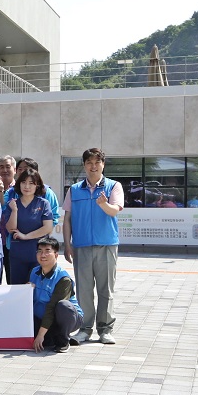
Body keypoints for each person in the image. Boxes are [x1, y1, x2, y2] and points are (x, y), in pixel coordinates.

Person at [63, 147, 123, 345]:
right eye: (89, 162)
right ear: (84, 165)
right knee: (84, 290)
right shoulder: (74, 189)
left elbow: (114, 211)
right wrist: (67, 244)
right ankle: (85, 328)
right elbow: (67, 219)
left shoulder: (113, 186)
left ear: (103, 164)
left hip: (106, 245)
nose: (93, 166)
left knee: (106, 289)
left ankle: (105, 330)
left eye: (97, 162)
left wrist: (103, 204)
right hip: (81, 246)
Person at [30, 236, 83, 353]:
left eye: (47, 251)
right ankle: (53, 336)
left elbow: (52, 307)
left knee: (63, 305)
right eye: (40, 251)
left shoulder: (63, 278)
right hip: (44, 318)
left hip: (68, 317)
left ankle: (63, 341)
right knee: (41, 341)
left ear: (56, 255)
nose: (43, 255)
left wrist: (40, 335)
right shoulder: (34, 272)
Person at [5, 168, 55, 287]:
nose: (27, 186)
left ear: (37, 185)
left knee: (38, 289)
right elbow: (10, 229)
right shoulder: (12, 204)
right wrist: (14, 211)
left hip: (39, 254)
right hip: (18, 254)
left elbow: (47, 227)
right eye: (23, 182)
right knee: (18, 290)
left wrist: (26, 236)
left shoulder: (43, 203)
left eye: (31, 183)